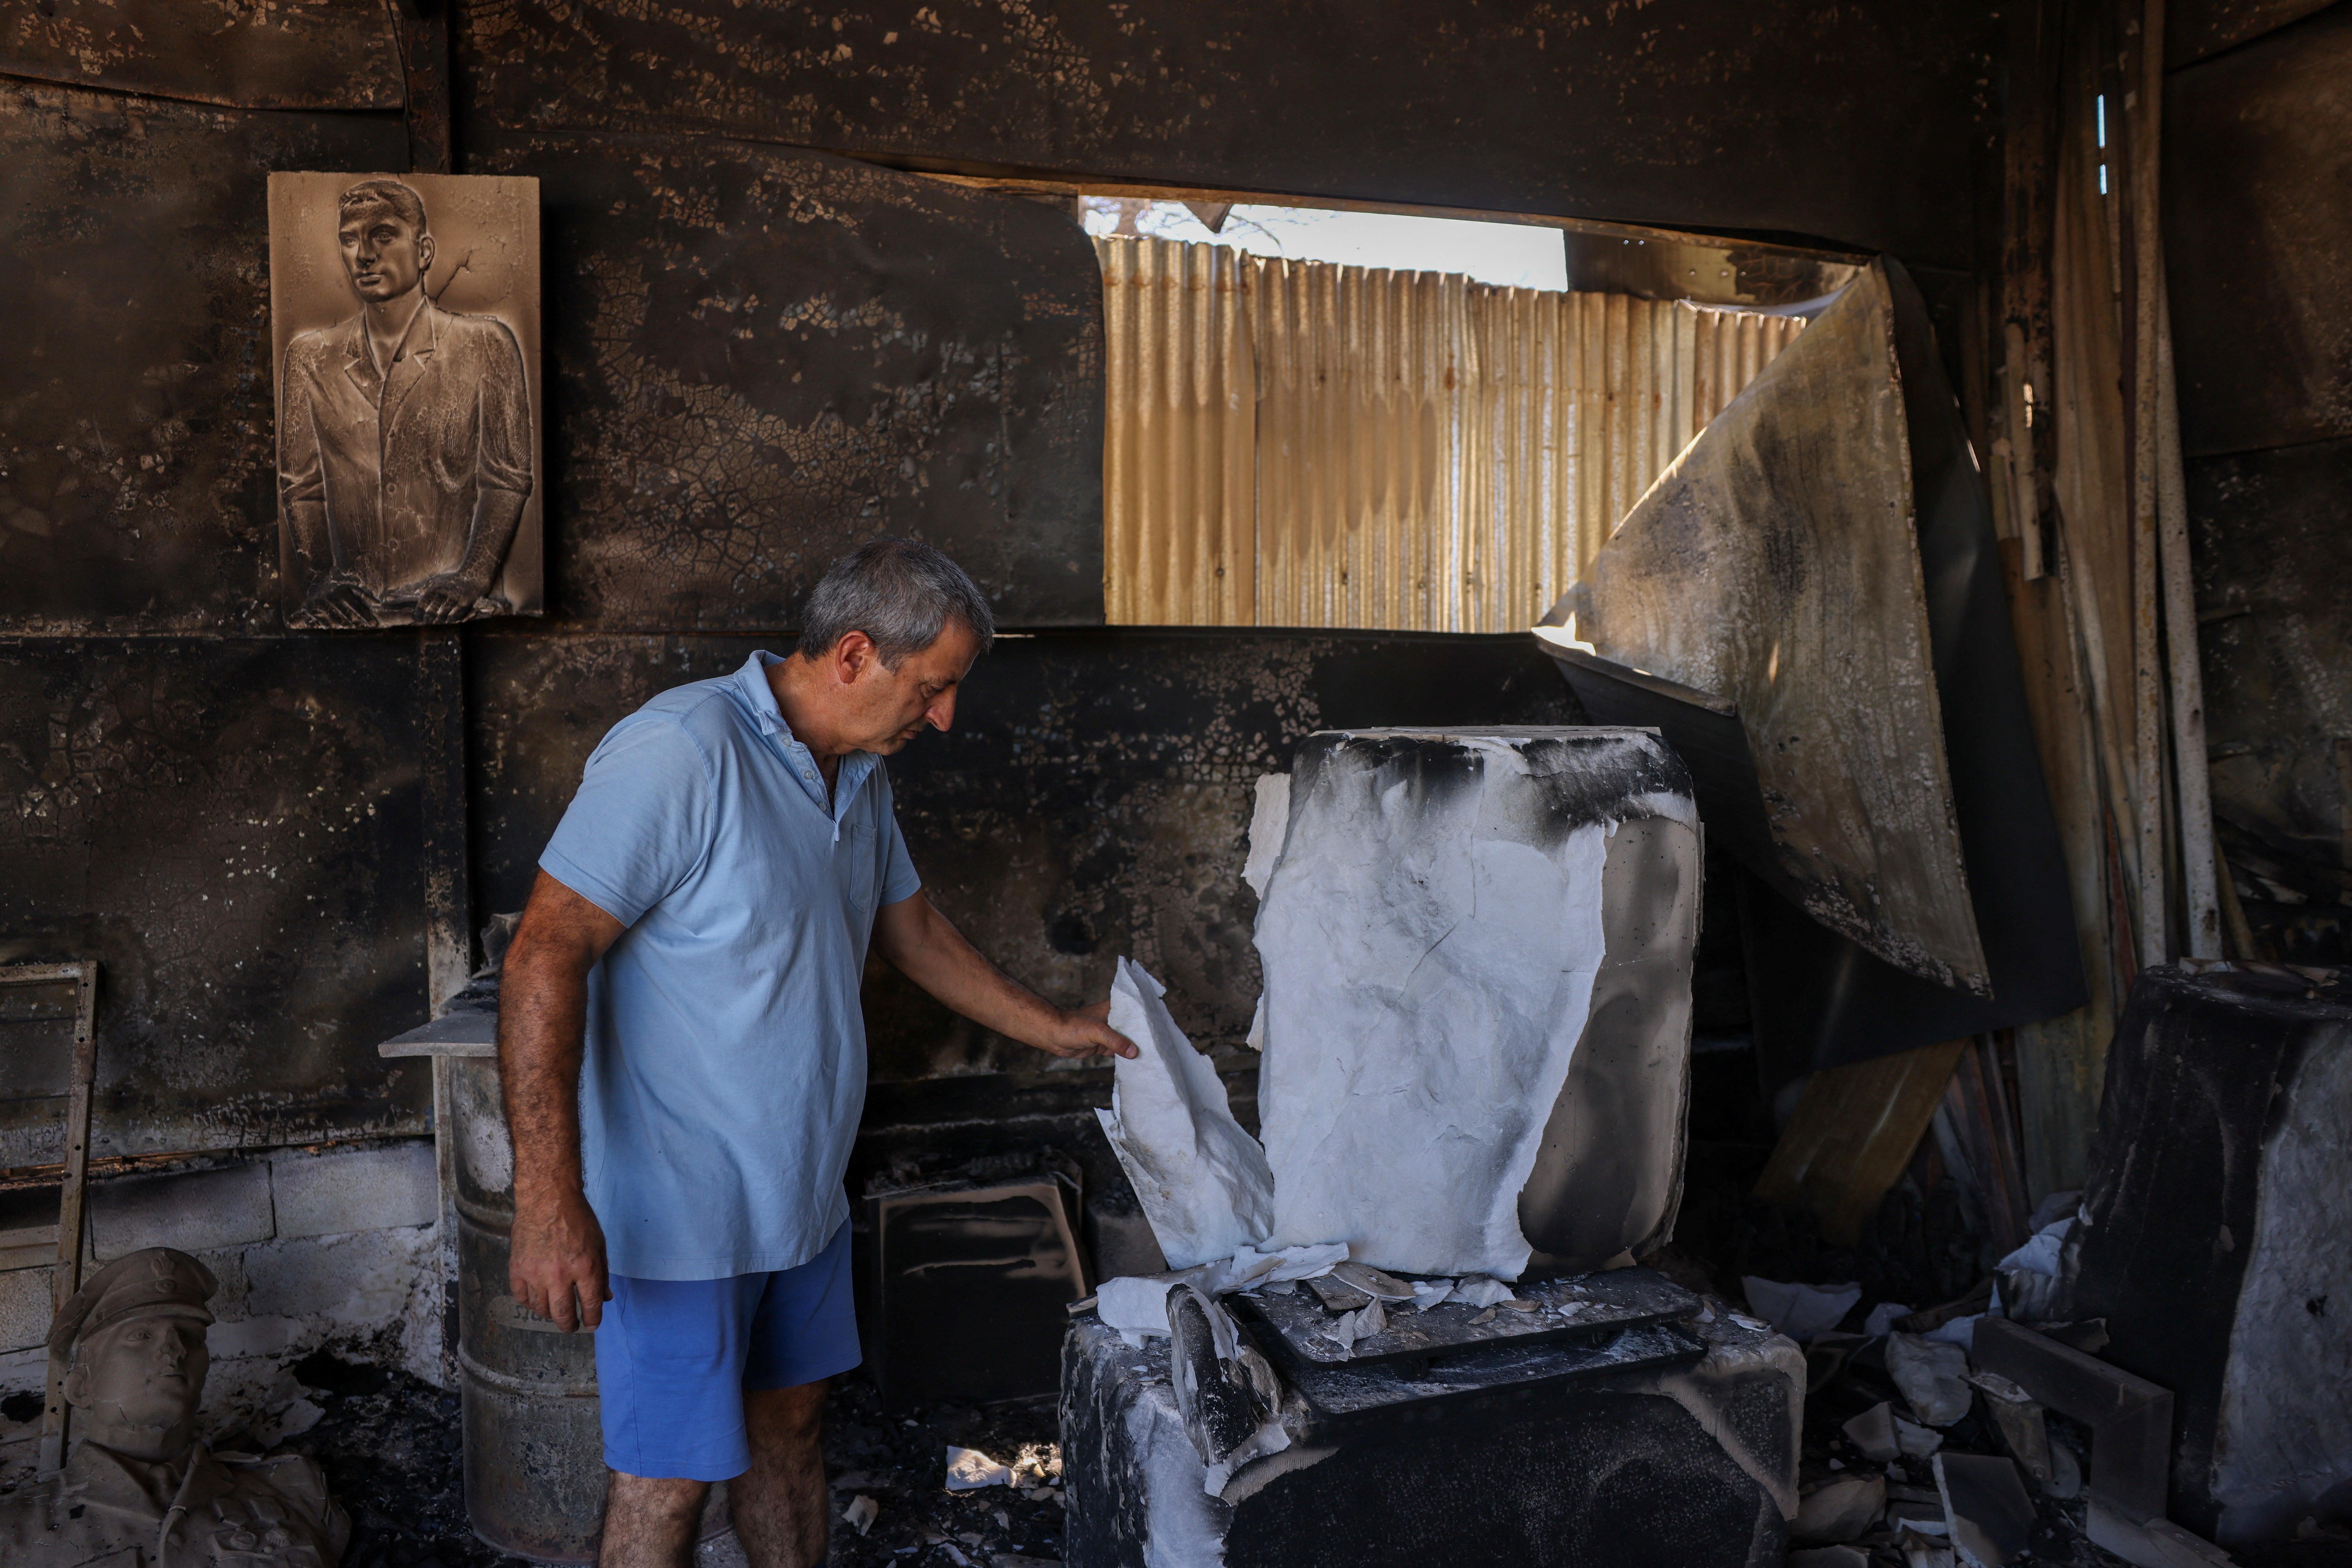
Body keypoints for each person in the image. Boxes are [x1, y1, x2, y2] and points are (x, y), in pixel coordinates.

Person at [500, 539, 1135, 1568]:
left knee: (791, 1433)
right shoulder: (681, 748)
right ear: (852, 656)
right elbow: (543, 954)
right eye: (931, 688)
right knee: (666, 1475)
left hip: (800, 1197)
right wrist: (545, 1196)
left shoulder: (858, 776)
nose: (944, 717)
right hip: (678, 1210)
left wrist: (1059, 1027)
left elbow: (914, 932)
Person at [278, 177, 533, 628]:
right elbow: (302, 485)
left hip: (455, 610)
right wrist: (321, 578)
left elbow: (507, 478)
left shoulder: (486, 345)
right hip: (351, 615)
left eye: (383, 235)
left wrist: (472, 578)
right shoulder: (309, 358)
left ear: (425, 251)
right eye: (350, 240)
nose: (364, 254)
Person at [0, 1247, 350, 1566]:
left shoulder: (295, 1490)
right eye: (141, 1335)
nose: (176, 1349)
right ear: (80, 1386)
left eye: (192, 1337)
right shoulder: (14, 1531)